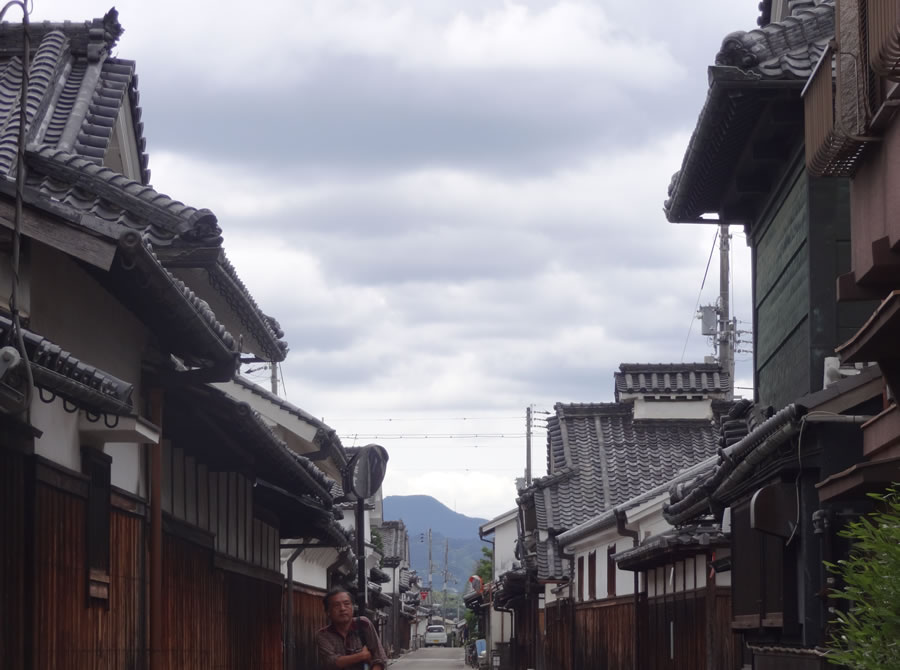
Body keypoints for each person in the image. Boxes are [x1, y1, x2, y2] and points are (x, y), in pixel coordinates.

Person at [316, 586, 388, 670]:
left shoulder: (363, 623)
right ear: (328, 612)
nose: (342, 608)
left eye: (346, 604)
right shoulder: (323, 634)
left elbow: (380, 657)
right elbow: (332, 662)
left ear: (353, 607)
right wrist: (361, 656)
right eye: (336, 605)